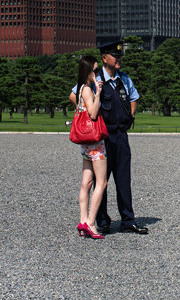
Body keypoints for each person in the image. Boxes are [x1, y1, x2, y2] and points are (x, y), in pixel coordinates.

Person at [70, 40, 148, 235]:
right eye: (116, 56)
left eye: (120, 56)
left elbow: (134, 98)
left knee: (123, 179)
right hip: (101, 137)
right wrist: (88, 116)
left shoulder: (124, 79)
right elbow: (74, 95)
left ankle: (127, 220)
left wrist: (130, 116)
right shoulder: (94, 78)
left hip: (120, 135)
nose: (119, 59)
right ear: (105, 59)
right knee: (100, 181)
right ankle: (102, 220)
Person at [73, 55, 107, 239]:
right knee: (101, 182)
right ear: (88, 71)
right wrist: (99, 92)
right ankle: (91, 223)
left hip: (85, 144)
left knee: (86, 182)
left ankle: (82, 219)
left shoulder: (80, 89)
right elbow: (93, 114)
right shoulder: (87, 90)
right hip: (95, 143)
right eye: (95, 70)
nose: (97, 73)